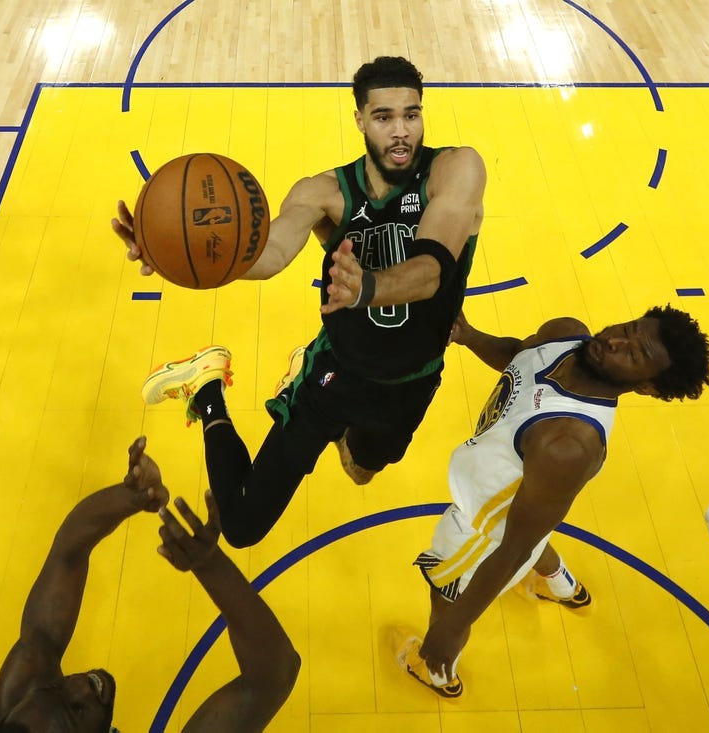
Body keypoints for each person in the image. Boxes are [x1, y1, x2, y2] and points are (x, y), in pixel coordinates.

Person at [112, 55, 487, 549]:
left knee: (359, 470)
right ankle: (208, 391)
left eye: (411, 115)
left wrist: (365, 288)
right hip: (336, 372)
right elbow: (269, 253)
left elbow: (432, 271)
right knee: (243, 525)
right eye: (384, 117)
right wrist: (177, 253)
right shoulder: (325, 192)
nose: (401, 132)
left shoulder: (455, 169)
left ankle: (339, 431)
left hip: (413, 380)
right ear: (359, 120)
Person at [396, 306, 709, 698]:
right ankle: (562, 587)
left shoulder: (568, 444)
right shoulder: (567, 334)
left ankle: (437, 673)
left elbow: (513, 549)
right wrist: (470, 336)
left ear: (647, 386)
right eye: (627, 328)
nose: (613, 341)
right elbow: (518, 356)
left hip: (484, 531)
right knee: (533, 527)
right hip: (516, 502)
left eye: (632, 355)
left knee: (447, 590)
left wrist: (452, 628)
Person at [0, 437, 300, 732]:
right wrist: (210, 566)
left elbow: (68, 551)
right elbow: (273, 675)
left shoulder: (24, 703)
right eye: (77, 710)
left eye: (57, 690)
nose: (81, 686)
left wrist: (133, 497)